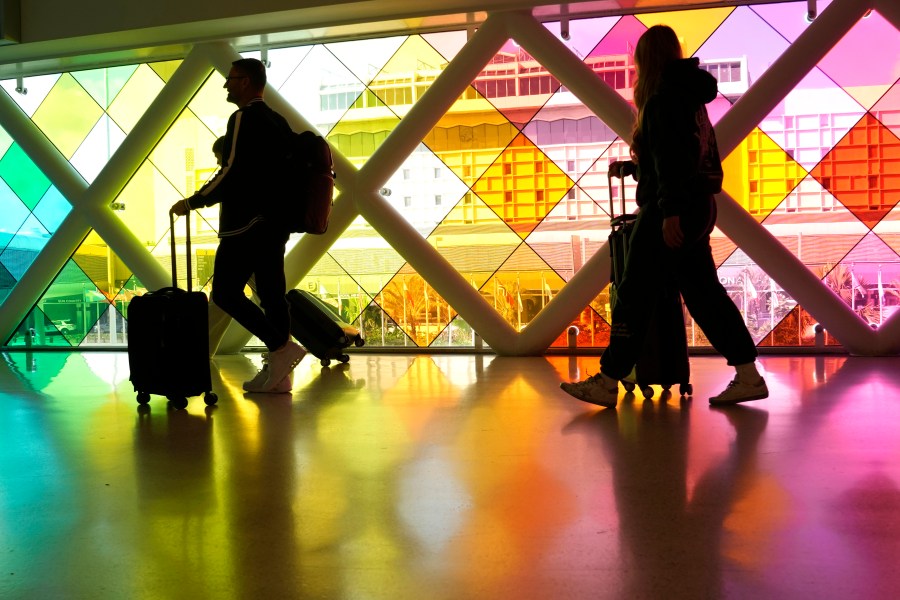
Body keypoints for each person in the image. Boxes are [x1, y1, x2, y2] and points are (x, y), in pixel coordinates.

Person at [560, 25, 767, 408]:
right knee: (706, 297)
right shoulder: (691, 98)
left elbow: (672, 162)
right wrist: (645, 173)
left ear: (645, 60)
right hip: (699, 206)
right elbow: (682, 158)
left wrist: (669, 210)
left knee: (634, 293)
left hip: (667, 212)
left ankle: (607, 382)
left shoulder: (663, 99)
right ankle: (748, 375)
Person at [170, 57, 305, 393]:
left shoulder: (245, 117)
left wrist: (193, 201)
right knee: (273, 297)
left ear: (245, 81)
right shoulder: (278, 121)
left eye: (230, 79)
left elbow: (231, 171)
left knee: (226, 294)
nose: (226, 85)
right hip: (275, 225)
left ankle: (280, 347)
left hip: (245, 226)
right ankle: (279, 377)